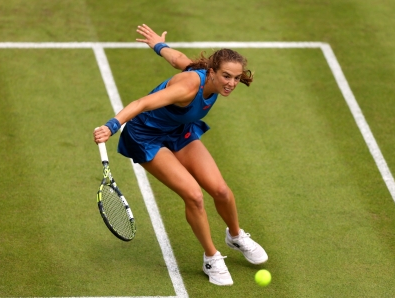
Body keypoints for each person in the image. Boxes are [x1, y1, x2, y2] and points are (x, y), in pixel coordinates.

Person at [93, 24, 268, 286]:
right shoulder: (187, 88)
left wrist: (157, 45)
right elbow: (141, 103)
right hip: (146, 137)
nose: (231, 83)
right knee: (194, 195)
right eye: (226, 76)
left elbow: (178, 59)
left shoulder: (205, 76)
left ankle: (236, 236)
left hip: (178, 131)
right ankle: (211, 257)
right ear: (211, 72)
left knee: (220, 191)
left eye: (236, 78)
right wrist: (112, 125)